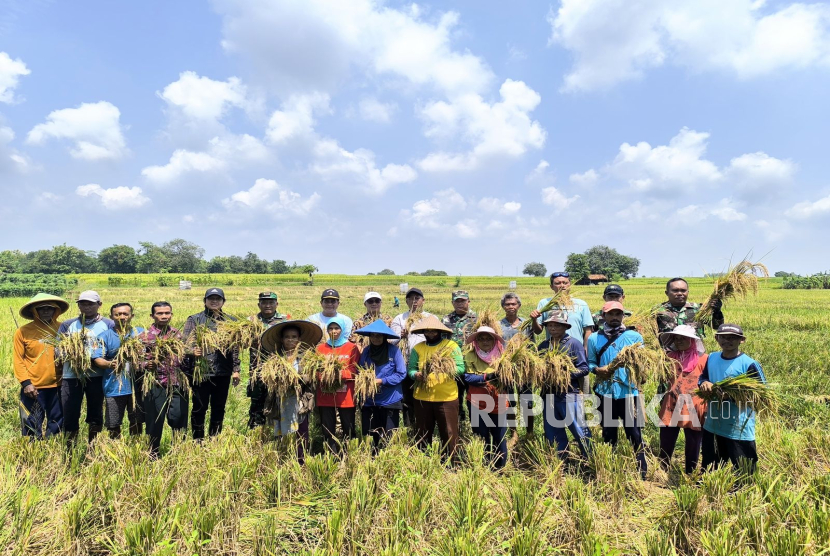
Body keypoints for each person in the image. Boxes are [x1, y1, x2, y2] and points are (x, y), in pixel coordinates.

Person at [588, 301, 648, 478]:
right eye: (611, 314)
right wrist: (597, 370)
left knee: (634, 432)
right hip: (604, 391)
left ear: (623, 315)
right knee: (608, 431)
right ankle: (609, 469)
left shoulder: (634, 336)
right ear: (603, 316)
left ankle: (641, 471)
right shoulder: (594, 338)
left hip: (628, 392)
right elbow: (590, 362)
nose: (615, 317)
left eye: (618, 314)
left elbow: (642, 362)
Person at [699, 324, 766, 473]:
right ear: (717, 338)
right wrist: (704, 383)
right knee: (710, 467)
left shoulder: (749, 364)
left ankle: (743, 493)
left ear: (741, 340)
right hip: (714, 424)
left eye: (732, 338)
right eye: (723, 337)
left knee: (744, 470)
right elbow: (702, 377)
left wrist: (733, 396)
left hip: (738, 426)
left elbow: (762, 393)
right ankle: (711, 495)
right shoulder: (712, 358)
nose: (727, 341)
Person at [183, 288, 241, 440]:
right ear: (205, 301)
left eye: (218, 298)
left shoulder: (231, 322)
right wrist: (192, 351)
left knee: (219, 407)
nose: (214, 301)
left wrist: (236, 369)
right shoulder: (194, 319)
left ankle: (214, 438)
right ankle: (198, 439)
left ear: (223, 301)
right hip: (201, 372)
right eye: (211, 298)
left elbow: (235, 348)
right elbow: (184, 343)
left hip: (223, 371)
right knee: (199, 407)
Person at [260, 320, 322, 463]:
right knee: (281, 429)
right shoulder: (275, 358)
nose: (290, 340)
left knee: (301, 431)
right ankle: (282, 458)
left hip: (300, 399)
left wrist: (299, 379)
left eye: (294, 337)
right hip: (280, 399)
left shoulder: (306, 358)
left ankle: (300, 461)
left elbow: (312, 376)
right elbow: (268, 377)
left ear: (299, 339)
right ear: (282, 339)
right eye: (287, 337)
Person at [58, 290, 115, 445]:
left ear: (99, 305)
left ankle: (93, 447)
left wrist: (98, 359)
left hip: (97, 376)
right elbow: (58, 350)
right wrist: (73, 354)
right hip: (71, 376)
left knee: (95, 413)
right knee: (70, 413)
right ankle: (70, 448)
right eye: (83, 303)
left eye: (90, 303)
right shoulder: (68, 325)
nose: (86, 307)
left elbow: (113, 347)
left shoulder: (109, 324)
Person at [407, 315, 465, 463]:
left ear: (440, 331)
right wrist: (416, 375)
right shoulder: (418, 348)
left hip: (446, 398)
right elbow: (411, 370)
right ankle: (423, 461)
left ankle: (452, 462)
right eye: (428, 331)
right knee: (423, 433)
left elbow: (460, 368)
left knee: (449, 432)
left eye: (434, 331)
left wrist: (444, 368)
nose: (431, 334)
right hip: (422, 398)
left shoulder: (451, 346)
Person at [13, 293, 68, 439]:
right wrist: (26, 383)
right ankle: (32, 451)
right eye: (41, 308)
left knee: (56, 422)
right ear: (34, 311)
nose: (45, 311)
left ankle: (52, 451)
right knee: (31, 422)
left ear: (55, 310)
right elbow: (18, 360)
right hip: (33, 387)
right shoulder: (23, 332)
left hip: (58, 384)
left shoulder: (63, 329)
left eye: (49, 308)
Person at [537, 312, 591, 459]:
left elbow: (584, 368)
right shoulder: (543, 345)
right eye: (550, 325)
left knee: (579, 429)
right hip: (548, 394)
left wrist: (563, 376)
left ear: (565, 327)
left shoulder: (573, 343)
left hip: (569, 393)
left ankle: (590, 459)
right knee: (553, 432)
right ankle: (561, 461)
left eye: (557, 325)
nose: (553, 328)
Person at [530, 271, 594, 394]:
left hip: (576, 353)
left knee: (582, 391)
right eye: (558, 283)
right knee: (552, 389)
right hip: (553, 354)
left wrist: (585, 351)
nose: (562, 285)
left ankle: (582, 412)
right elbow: (538, 331)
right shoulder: (545, 304)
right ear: (551, 286)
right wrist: (534, 319)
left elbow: (588, 330)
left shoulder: (581, 304)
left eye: (565, 283)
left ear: (570, 284)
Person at [140, 302, 188, 458]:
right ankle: (153, 454)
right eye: (160, 313)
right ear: (152, 316)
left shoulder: (178, 335)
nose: (164, 316)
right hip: (155, 383)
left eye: (167, 313)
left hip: (177, 383)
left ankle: (179, 453)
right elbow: (135, 360)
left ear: (172, 314)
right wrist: (147, 364)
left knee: (179, 418)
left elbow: (186, 357)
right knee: (154, 421)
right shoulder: (144, 336)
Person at [657, 325, 707, 474]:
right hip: (672, 402)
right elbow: (662, 376)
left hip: (695, 405)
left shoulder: (704, 359)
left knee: (693, 441)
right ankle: (662, 469)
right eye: (676, 338)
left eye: (683, 338)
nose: (679, 341)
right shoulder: (670, 358)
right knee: (666, 438)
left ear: (692, 341)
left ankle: (690, 472)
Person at [354, 320, 406, 450]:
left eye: (379, 335)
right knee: (370, 434)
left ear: (384, 337)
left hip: (390, 399)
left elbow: (401, 373)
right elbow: (360, 369)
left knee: (389, 435)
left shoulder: (394, 351)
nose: (375, 338)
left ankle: (387, 460)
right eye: (373, 335)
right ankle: (371, 459)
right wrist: (364, 378)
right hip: (370, 400)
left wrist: (381, 381)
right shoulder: (366, 351)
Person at [463, 326, 509, 469]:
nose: (485, 341)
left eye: (488, 338)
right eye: (481, 339)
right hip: (477, 402)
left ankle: (500, 468)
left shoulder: (504, 355)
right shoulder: (470, 355)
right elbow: (467, 377)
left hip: (498, 401)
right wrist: (487, 376)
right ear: (476, 341)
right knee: (481, 436)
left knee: (499, 437)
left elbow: (511, 377)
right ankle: (484, 466)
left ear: (494, 340)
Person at [315, 316, 361, 453]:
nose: (333, 331)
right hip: (325, 394)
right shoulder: (321, 349)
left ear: (342, 329)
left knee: (349, 427)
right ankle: (331, 454)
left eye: (337, 328)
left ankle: (350, 454)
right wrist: (325, 376)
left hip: (346, 395)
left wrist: (340, 375)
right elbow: (315, 370)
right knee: (328, 428)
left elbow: (355, 370)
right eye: (331, 328)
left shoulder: (352, 348)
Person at [100, 303, 145, 439]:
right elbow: (97, 359)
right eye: (118, 314)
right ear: (111, 317)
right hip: (114, 386)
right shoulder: (104, 336)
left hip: (137, 386)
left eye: (125, 314)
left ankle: (135, 446)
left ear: (132, 316)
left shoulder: (141, 333)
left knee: (137, 420)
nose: (122, 317)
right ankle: (115, 448)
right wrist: (109, 363)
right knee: (113, 423)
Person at [390, 287, 433, 426]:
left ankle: (425, 427)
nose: (414, 301)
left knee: (426, 397)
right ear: (406, 301)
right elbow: (392, 341)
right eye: (411, 298)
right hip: (405, 363)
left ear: (423, 301)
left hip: (426, 365)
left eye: (417, 298)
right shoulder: (399, 318)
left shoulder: (430, 318)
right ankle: (410, 428)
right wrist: (400, 335)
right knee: (407, 399)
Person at [247, 292, 291, 429]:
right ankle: (256, 432)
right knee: (257, 402)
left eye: (271, 302)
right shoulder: (251, 320)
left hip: (278, 368)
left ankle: (277, 432)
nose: (267, 305)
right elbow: (241, 342)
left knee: (278, 400)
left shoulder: (285, 320)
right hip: (257, 368)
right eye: (264, 302)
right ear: (259, 304)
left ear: (276, 304)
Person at [499, 292, 536, 437]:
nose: (510, 307)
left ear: (519, 306)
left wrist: (534, 320)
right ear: (503, 307)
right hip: (506, 368)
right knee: (510, 402)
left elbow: (536, 334)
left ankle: (530, 432)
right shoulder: (498, 325)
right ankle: (514, 433)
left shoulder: (526, 323)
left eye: (513, 304)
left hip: (524, 368)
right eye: (507, 304)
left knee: (527, 401)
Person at [443, 290, 477, 424]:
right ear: (452, 303)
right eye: (457, 301)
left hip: (472, 365)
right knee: (455, 397)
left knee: (473, 397)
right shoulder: (446, 319)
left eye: (463, 301)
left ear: (468, 301)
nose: (460, 304)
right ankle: (459, 425)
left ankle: (475, 427)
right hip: (453, 365)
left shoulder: (477, 319)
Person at [656, 278, 724, 339]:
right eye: (675, 290)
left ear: (687, 292)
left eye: (683, 290)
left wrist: (717, 312)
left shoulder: (699, 309)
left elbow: (717, 327)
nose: (680, 293)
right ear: (667, 293)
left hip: (696, 351)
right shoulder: (658, 311)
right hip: (668, 351)